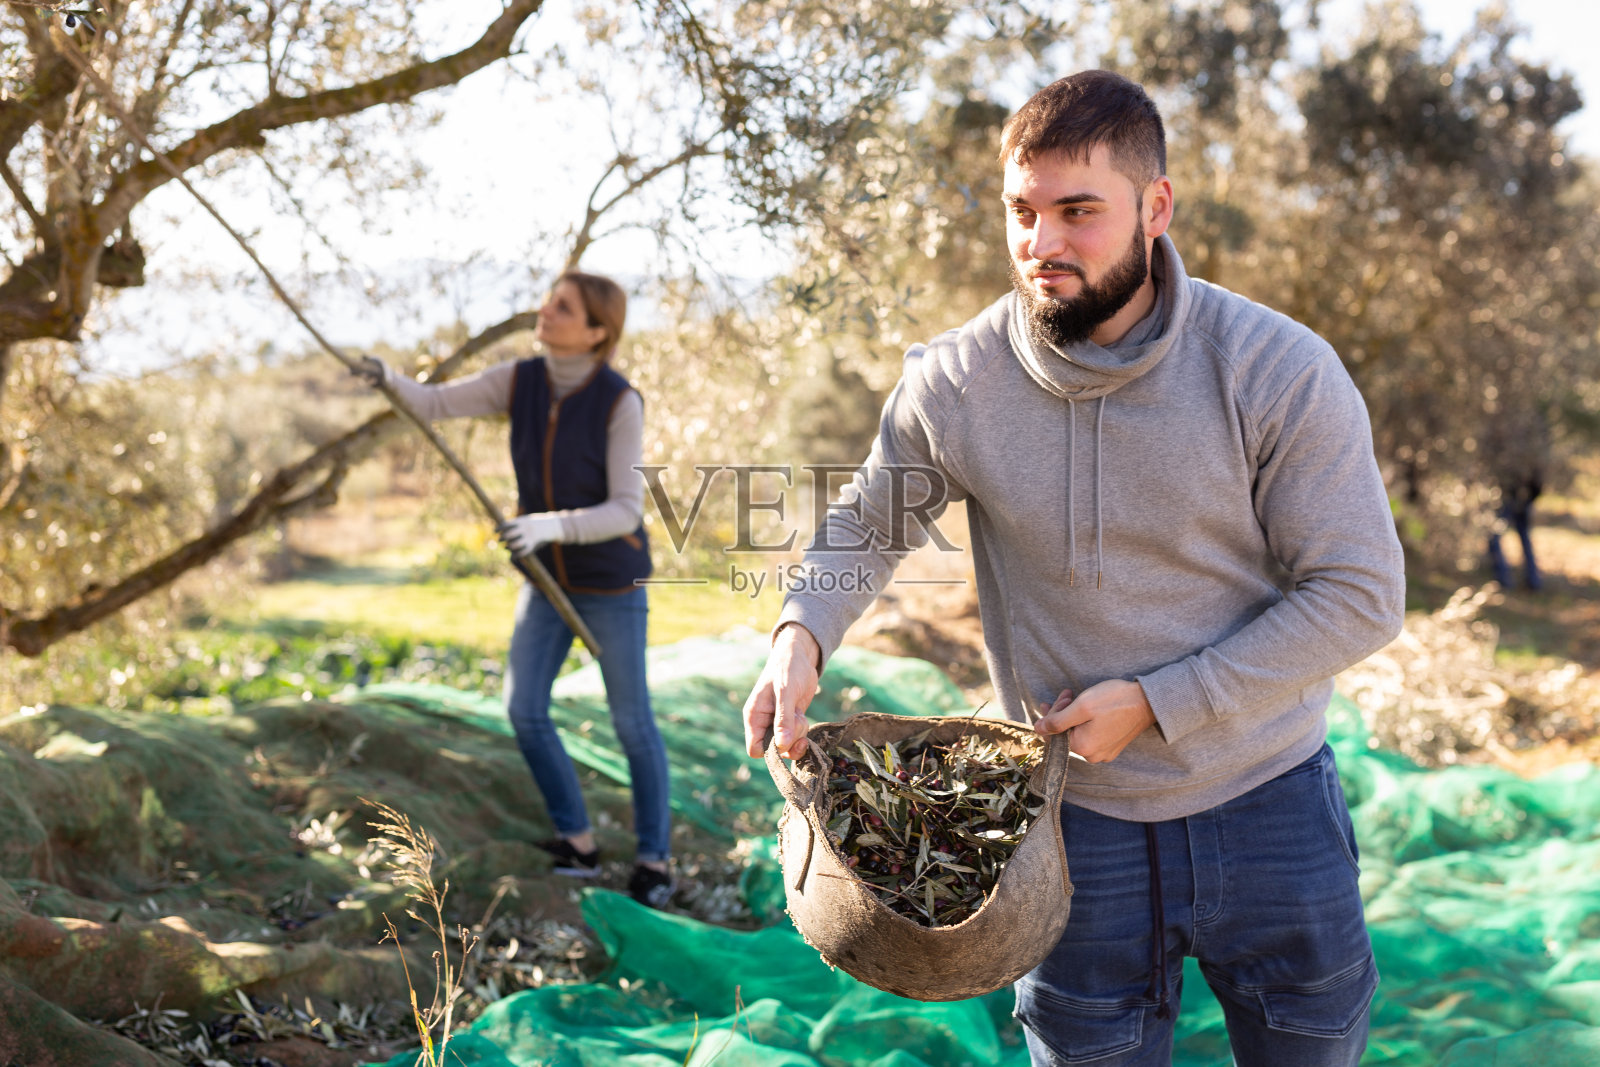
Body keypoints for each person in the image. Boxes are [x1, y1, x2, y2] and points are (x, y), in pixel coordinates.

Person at [741, 71, 1405, 1066]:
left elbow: (1359, 594)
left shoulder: (1275, 367)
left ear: (1156, 206)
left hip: (1269, 804)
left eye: (1077, 212)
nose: (1041, 243)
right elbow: (867, 525)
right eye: (1022, 210)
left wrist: (1159, 698)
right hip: (1063, 827)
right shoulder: (955, 381)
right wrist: (799, 634)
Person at [358, 271, 674, 909]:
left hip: (610, 585)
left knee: (630, 723)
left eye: (563, 307)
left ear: (595, 331)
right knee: (523, 709)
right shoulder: (521, 379)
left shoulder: (619, 402)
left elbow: (624, 510)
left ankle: (655, 859)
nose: (545, 311)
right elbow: (435, 403)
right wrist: (389, 381)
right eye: (550, 300)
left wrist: (547, 525)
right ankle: (577, 843)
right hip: (546, 579)